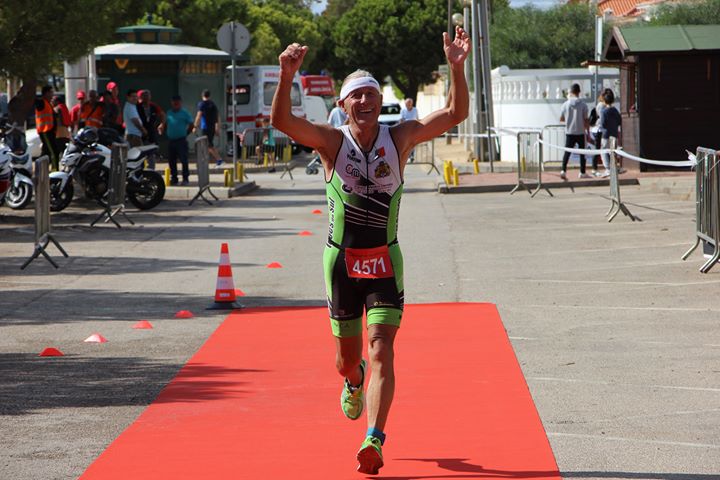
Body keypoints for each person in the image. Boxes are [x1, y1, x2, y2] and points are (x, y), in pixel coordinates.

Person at [271, 26, 470, 475]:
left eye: (372, 94)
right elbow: (283, 123)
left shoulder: (399, 138)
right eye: (356, 96)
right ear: (343, 105)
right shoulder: (331, 142)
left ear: (381, 102)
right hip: (341, 264)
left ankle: (374, 438)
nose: (365, 101)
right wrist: (286, 76)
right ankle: (354, 379)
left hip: (384, 261)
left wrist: (457, 68)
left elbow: (455, 113)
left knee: (382, 348)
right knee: (346, 359)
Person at [559, 83, 591, 180]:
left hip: (569, 132)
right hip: (580, 132)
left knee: (567, 152)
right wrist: (588, 131)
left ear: (571, 92)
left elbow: (561, 119)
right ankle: (582, 172)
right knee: (582, 153)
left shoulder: (565, 105)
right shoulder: (583, 105)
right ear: (579, 92)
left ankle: (563, 170)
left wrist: (569, 119)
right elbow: (586, 120)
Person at [164, 95, 195, 185]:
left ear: (180, 102)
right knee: (171, 160)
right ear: (172, 103)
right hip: (171, 140)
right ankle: (174, 178)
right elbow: (165, 123)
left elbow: (191, 124)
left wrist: (186, 133)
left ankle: (185, 178)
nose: (176, 104)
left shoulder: (184, 113)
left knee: (183, 160)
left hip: (181, 140)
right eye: (174, 102)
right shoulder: (169, 113)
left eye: (177, 102)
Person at [137, 89, 164, 169]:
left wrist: (162, 124)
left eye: (147, 95)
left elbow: (162, 114)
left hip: (151, 133)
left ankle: (151, 172)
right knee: (140, 155)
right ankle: (140, 171)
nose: (146, 98)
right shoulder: (137, 107)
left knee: (151, 154)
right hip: (140, 134)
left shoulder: (153, 106)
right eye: (144, 96)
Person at [194, 89, 222, 166]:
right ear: (209, 96)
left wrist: (195, 126)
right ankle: (206, 160)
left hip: (205, 128)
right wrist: (217, 128)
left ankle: (219, 160)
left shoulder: (201, 104)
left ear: (202, 95)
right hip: (212, 127)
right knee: (207, 145)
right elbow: (217, 117)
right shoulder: (213, 104)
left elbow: (199, 116)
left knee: (207, 145)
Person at [599, 89, 622, 177]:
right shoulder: (615, 110)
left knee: (604, 151)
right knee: (613, 152)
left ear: (604, 100)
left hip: (606, 134)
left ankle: (608, 168)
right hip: (614, 133)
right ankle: (614, 168)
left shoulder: (604, 111)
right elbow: (619, 121)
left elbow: (603, 123)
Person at [35, 85, 58, 170]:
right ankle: (55, 170)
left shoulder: (48, 104)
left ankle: (41, 170)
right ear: (46, 93)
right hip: (45, 131)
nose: (52, 94)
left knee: (46, 152)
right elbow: (36, 102)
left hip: (50, 131)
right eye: (51, 92)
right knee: (53, 152)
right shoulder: (41, 102)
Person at [589, 91, 606, 176]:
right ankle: (594, 168)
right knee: (597, 149)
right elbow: (602, 118)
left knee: (598, 148)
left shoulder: (600, 105)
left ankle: (595, 168)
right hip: (598, 130)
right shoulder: (602, 105)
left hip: (596, 129)